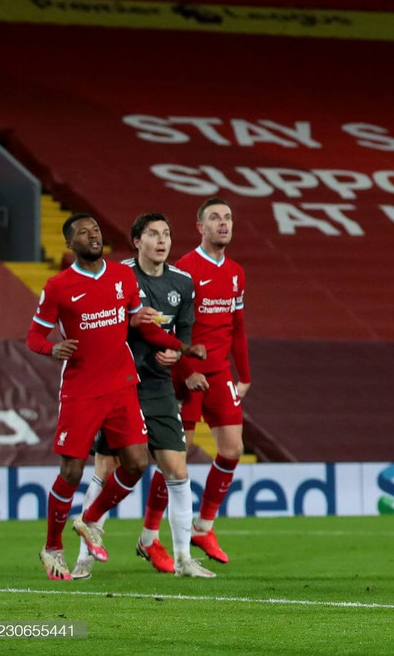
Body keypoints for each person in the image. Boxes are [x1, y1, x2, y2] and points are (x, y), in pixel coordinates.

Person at [27, 214, 203, 580]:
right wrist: (53, 348)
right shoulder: (59, 287)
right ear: (69, 244)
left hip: (122, 383)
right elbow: (33, 337)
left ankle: (89, 520)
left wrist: (181, 347)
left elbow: (140, 324)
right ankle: (52, 547)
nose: (92, 235)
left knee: (137, 463)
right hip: (81, 390)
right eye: (82, 232)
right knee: (72, 472)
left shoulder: (123, 277)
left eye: (95, 230)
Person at [73, 213, 215, 579]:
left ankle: (184, 560)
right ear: (136, 241)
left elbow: (183, 335)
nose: (161, 240)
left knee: (177, 470)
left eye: (166, 233)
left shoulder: (182, 283)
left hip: (157, 386)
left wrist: (178, 355)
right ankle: (84, 558)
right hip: (120, 383)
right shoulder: (117, 277)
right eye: (153, 234)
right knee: (106, 468)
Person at [173, 197, 250, 564]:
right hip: (188, 370)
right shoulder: (184, 270)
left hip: (222, 372)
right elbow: (173, 328)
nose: (224, 223)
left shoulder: (236, 272)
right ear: (200, 226)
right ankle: (151, 533)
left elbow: (237, 327)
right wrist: (188, 371)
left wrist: (245, 374)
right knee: (178, 454)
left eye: (228, 218)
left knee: (233, 448)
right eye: (215, 218)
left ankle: (203, 527)